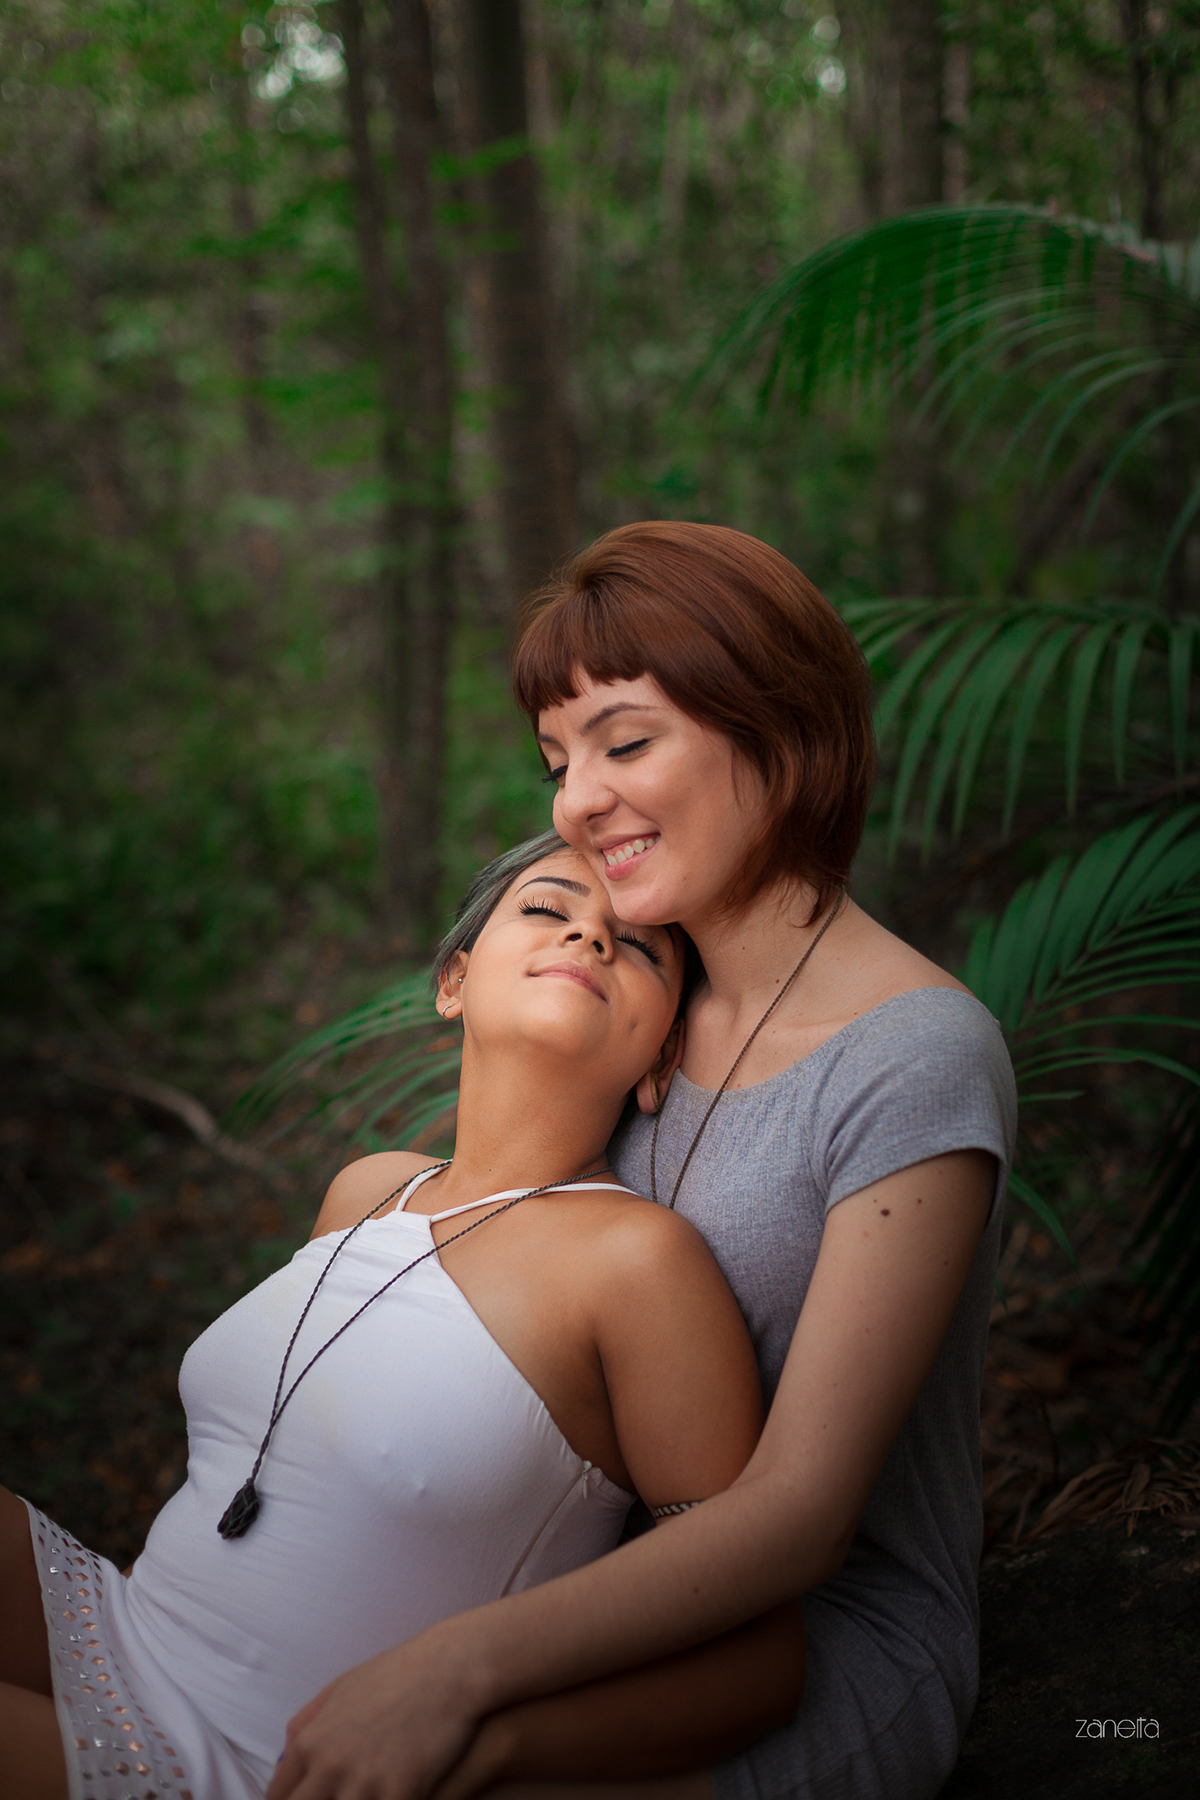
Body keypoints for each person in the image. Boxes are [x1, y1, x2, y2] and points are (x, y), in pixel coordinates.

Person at [266, 521, 1018, 1800]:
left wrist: (454, 1668)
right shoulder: (642, 1016)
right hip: (553, 1587)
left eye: (625, 742)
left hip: (817, 1645)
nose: (575, 801)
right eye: (559, 760)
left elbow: (802, 1515)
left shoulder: (916, 1058)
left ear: (780, 731)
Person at [2, 835, 806, 1800]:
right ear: (454, 982)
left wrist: (482, 1749)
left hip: (267, 1767)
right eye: (548, 909)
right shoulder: (368, 1191)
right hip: (123, 1631)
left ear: (661, 1058)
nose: (590, 934)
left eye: (639, 947)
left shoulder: (637, 1263)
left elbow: (760, 1652)